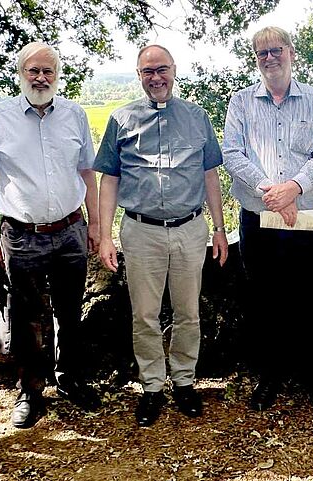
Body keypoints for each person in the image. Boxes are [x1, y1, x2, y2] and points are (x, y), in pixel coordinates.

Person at [94, 45, 227, 428]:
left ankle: (184, 381)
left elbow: (210, 176)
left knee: (188, 312)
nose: (156, 78)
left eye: (162, 69)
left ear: (174, 71)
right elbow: (109, 179)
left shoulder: (197, 117)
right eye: (148, 71)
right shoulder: (121, 120)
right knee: (145, 315)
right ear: (139, 75)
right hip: (141, 231)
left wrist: (219, 229)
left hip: (189, 229)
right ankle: (152, 386)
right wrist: (104, 236)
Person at [0, 42, 101, 429]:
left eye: (48, 71)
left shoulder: (75, 115)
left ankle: (70, 379)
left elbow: (87, 174)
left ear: (58, 74)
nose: (41, 77)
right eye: (33, 70)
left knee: (69, 310)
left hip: (70, 230)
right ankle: (30, 391)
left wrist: (96, 225)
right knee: (26, 315)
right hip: (21, 235)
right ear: (21, 74)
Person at [223, 26, 313, 412]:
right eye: (262, 53)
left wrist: (293, 187)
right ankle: (270, 374)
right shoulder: (240, 102)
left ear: (291, 53)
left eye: (276, 51)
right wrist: (270, 192)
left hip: (302, 219)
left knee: (311, 298)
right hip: (258, 219)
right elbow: (232, 154)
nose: (270, 58)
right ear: (255, 60)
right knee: (263, 299)